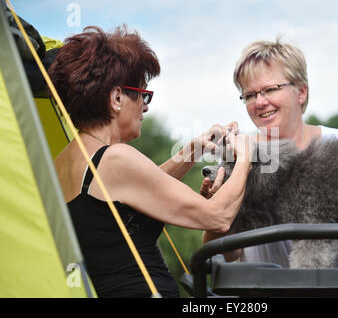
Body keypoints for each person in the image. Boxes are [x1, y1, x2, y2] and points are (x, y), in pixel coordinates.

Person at [50, 25, 253, 297]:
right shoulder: (116, 158)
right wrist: (245, 158)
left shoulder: (63, 161)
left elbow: (132, 191)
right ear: (117, 97)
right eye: (143, 94)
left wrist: (190, 152)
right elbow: (218, 217)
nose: (146, 107)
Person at [201, 39, 338, 268]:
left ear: (301, 92)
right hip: (266, 294)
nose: (260, 102)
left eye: (270, 89)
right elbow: (224, 254)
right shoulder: (238, 156)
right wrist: (215, 211)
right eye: (249, 95)